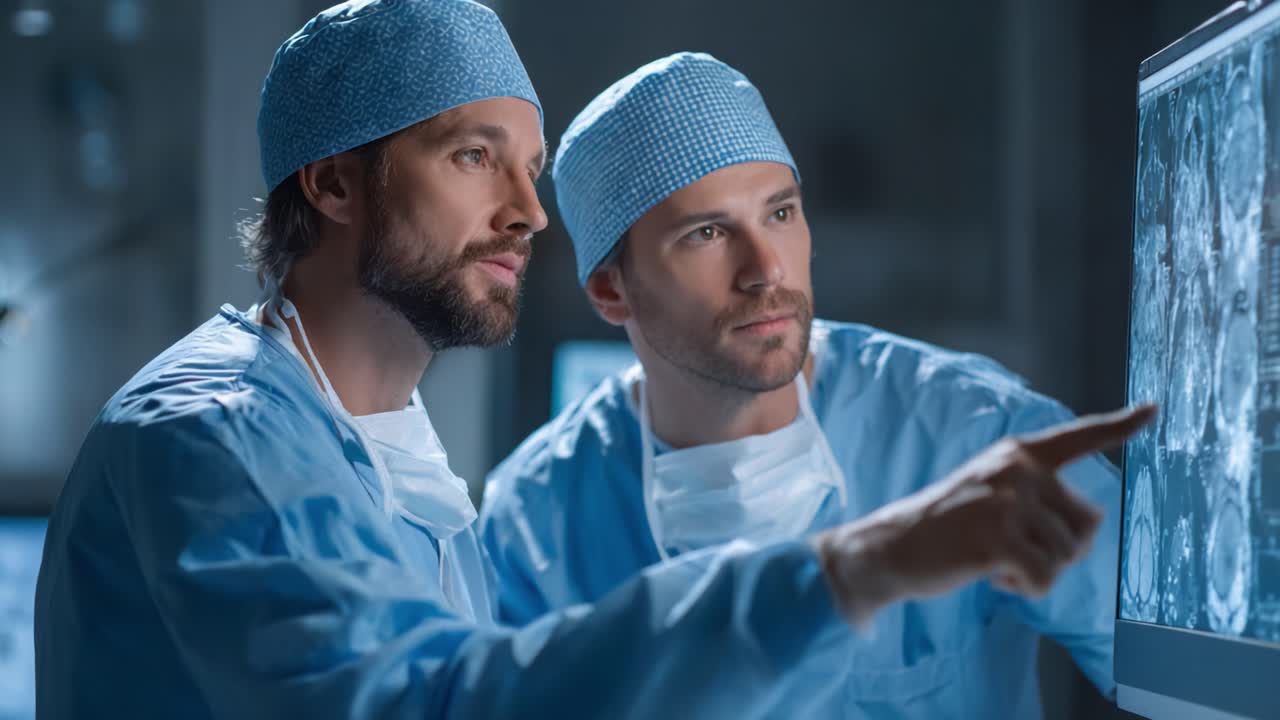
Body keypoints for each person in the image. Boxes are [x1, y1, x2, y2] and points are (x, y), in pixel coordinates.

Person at [33, 5, 1149, 718]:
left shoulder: (397, 467)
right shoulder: (217, 438)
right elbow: (423, 704)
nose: (524, 213)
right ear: (331, 185)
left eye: (529, 168)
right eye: (474, 157)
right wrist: (849, 571)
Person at [480, 52, 1129, 718]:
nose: (767, 270)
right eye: (707, 233)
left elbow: (1195, 678)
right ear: (612, 290)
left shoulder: (972, 434)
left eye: (781, 214)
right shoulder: (536, 525)